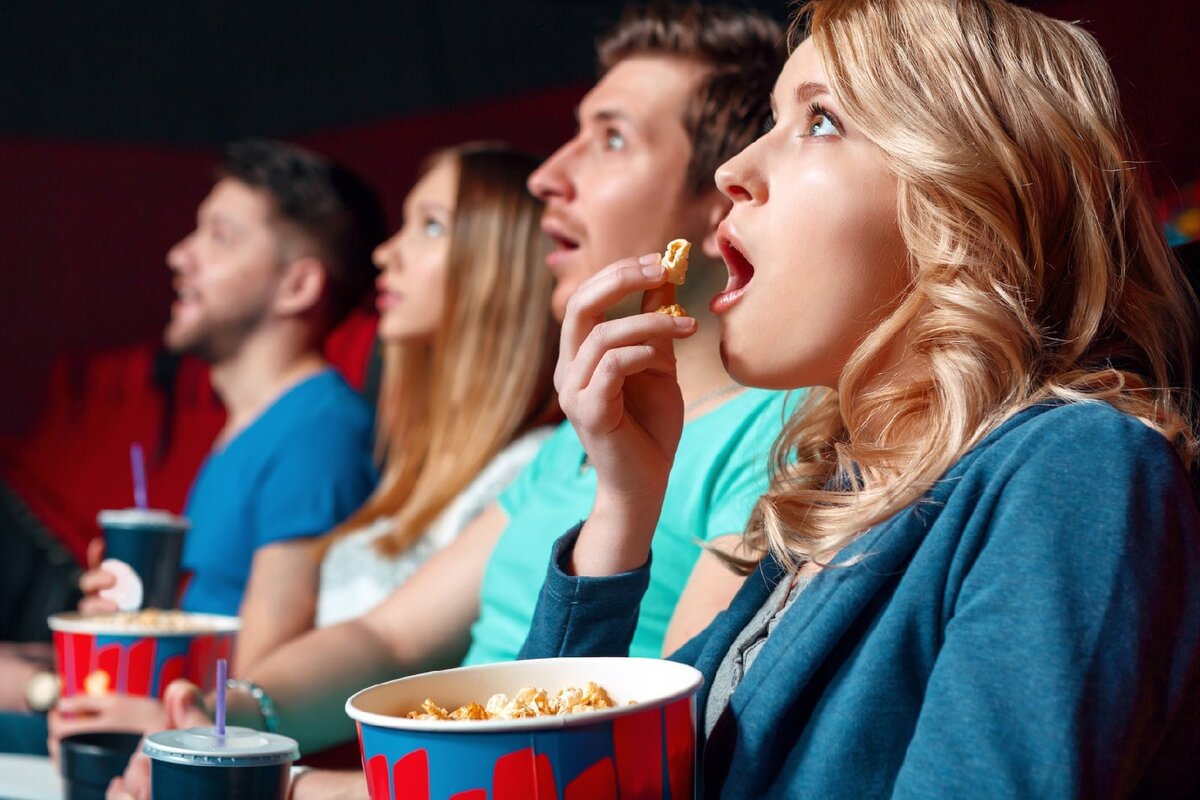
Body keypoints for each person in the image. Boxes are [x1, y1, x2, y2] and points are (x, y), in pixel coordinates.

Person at [104, 5, 793, 797]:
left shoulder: (779, 439)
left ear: (721, 202)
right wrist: (231, 714)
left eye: (611, 139)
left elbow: (666, 752)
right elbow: (388, 638)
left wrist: (279, 786)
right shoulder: (571, 443)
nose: (547, 175)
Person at [520, 0, 1200, 796]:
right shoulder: (838, 503)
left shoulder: (1074, 470)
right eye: (771, 119)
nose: (733, 169)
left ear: (963, 201)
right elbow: (554, 778)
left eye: (820, 121)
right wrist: (623, 506)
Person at [48, 143, 561, 744]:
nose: (386, 253)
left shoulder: (329, 434)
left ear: (500, 270)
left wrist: (196, 718)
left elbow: (378, 648)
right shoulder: (419, 470)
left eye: (430, 226)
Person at [0, 139, 383, 751]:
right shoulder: (251, 426)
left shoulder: (319, 434)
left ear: (297, 285)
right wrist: (121, 626)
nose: (180, 255)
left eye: (220, 237)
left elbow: (248, 700)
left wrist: (47, 687)